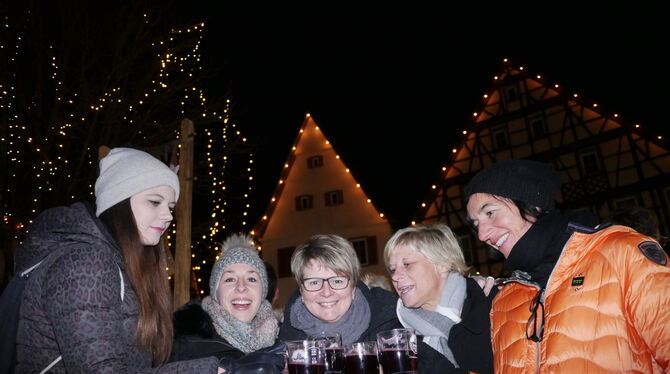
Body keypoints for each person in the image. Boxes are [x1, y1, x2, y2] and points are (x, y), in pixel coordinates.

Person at [13, 147, 281, 373]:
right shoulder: (84, 262)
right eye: (155, 202)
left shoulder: (123, 268)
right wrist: (220, 368)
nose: (168, 216)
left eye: (170, 207)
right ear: (118, 202)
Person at [464, 159, 670, 373]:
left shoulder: (621, 253)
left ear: (533, 203)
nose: (482, 235)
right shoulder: (503, 301)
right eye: (476, 224)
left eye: (490, 213)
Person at [384, 224, 493, 374]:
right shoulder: (398, 333)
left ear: (443, 264)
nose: (395, 277)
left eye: (407, 264)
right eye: (393, 269)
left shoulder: (491, 308)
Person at [171, 233, 282, 369]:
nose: (241, 287)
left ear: (262, 292)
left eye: (251, 279)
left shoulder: (281, 340)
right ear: (216, 292)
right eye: (230, 279)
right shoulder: (188, 346)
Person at [278, 234, 401, 345]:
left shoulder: (391, 320)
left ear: (353, 287)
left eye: (337, 281)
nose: (326, 292)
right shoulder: (283, 342)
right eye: (314, 282)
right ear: (301, 291)